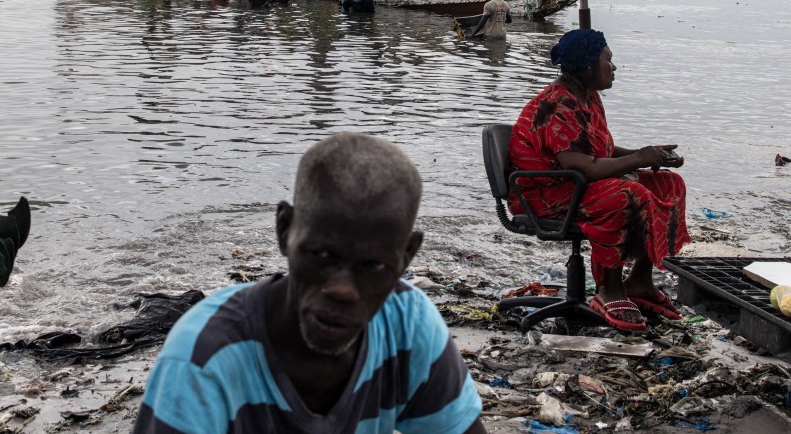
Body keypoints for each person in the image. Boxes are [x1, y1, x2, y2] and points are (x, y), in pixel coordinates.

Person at [132, 134, 486, 434]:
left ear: (406, 257)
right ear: (285, 230)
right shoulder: (204, 357)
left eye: (373, 266)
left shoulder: (408, 327)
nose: (342, 290)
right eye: (321, 255)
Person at [508, 29, 690, 332]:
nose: (614, 67)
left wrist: (649, 155)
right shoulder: (557, 105)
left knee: (669, 185)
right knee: (626, 194)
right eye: (608, 60)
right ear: (589, 66)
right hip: (548, 193)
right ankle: (609, 288)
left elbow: (598, 150)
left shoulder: (587, 97)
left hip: (575, 186)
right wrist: (639, 159)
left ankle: (640, 281)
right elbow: (583, 167)